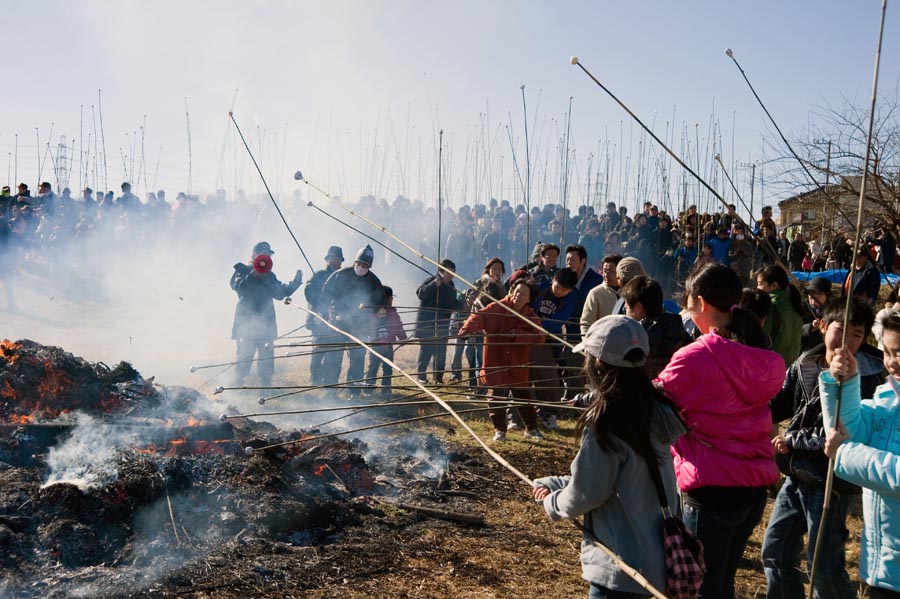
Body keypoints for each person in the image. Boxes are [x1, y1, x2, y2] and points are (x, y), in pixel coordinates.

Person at [532, 315, 685, 599]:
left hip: (620, 569)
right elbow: (621, 482)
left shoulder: (607, 422)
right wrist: (556, 482)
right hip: (653, 561)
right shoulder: (655, 408)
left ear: (599, 363)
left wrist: (553, 502)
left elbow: (588, 493)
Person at [656, 263, 785, 599]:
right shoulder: (761, 355)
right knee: (722, 583)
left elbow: (653, 401)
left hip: (712, 490)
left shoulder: (694, 357)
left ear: (700, 302)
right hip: (753, 489)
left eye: (687, 303)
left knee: (701, 589)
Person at [763, 297, 884, 599]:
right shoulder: (805, 362)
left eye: (857, 334)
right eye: (840, 330)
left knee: (823, 569)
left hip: (832, 481)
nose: (847, 341)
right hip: (798, 474)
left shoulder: (866, 378)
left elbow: (842, 434)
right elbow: (779, 404)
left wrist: (792, 441)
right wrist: (744, 413)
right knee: (775, 552)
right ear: (821, 326)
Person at [823, 308, 900, 598]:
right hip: (881, 562)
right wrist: (846, 381)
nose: (891, 362)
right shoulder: (888, 394)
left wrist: (845, 455)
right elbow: (849, 430)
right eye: (888, 351)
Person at [458, 277, 545, 441]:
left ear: (529, 299)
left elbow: (540, 337)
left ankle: (531, 429)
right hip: (495, 361)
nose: (519, 295)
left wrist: (519, 336)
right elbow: (479, 316)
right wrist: (467, 329)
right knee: (496, 397)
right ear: (512, 291)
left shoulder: (530, 316)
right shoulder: (497, 308)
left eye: (524, 293)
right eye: (517, 291)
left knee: (523, 397)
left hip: (518, 365)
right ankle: (500, 430)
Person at [230, 241, 303, 388]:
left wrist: (295, 283)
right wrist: (252, 275)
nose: (266, 257)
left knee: (266, 355)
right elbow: (238, 287)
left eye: (268, 255)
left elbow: (280, 293)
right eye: (263, 254)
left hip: (266, 321)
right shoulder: (242, 270)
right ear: (254, 255)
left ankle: (266, 385)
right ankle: (237, 384)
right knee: (244, 354)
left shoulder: (269, 276)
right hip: (246, 320)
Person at [322, 244, 387, 394]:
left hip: (359, 326)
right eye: (359, 264)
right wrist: (330, 310)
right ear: (354, 262)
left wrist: (376, 310)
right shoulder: (341, 274)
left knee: (357, 359)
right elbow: (326, 292)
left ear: (369, 267)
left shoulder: (373, 281)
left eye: (365, 266)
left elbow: (380, 303)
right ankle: (330, 392)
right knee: (334, 357)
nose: (361, 268)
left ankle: (354, 392)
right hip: (338, 322)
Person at [529, 267, 578, 431]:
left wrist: (539, 325)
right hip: (527, 336)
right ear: (553, 281)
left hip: (549, 340)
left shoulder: (570, 298)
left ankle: (548, 414)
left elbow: (558, 321)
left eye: (564, 290)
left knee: (548, 376)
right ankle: (519, 415)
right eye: (557, 287)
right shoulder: (539, 289)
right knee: (523, 377)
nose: (559, 292)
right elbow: (528, 310)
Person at [621, 275, 689, 379]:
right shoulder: (682, 334)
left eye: (626, 308)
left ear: (639, 308)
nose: (625, 311)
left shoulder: (633, 341)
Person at [415, 258, 465, 384]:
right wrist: (433, 285)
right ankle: (421, 376)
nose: (450, 276)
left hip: (443, 323)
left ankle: (438, 378)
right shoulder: (432, 281)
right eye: (448, 273)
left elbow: (452, 305)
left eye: (452, 273)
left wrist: (463, 302)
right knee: (426, 350)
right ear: (440, 271)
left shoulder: (451, 286)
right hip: (427, 323)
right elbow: (420, 293)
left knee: (441, 352)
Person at [304, 245, 344, 385]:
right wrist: (319, 300)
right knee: (318, 350)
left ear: (341, 261)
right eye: (331, 258)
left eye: (337, 259)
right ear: (327, 260)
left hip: (337, 321)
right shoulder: (319, 275)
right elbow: (309, 294)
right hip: (319, 319)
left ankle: (330, 382)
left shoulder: (343, 276)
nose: (334, 261)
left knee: (335, 353)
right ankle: (315, 380)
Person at [756, 264, 806, 366]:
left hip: (772, 369)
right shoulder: (794, 304)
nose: (757, 288)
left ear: (774, 285)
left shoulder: (769, 307)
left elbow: (759, 342)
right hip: (791, 369)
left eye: (760, 284)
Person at [365, 286, 407, 397]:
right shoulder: (373, 312)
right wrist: (377, 318)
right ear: (385, 298)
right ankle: (368, 390)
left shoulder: (392, 312)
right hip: (376, 345)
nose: (392, 300)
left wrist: (403, 338)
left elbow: (398, 326)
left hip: (388, 345)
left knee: (387, 368)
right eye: (390, 298)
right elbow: (372, 328)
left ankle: (386, 391)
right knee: (373, 368)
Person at [578, 254, 624, 336]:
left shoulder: (628, 292)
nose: (606, 275)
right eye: (605, 271)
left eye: (611, 271)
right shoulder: (595, 293)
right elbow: (586, 322)